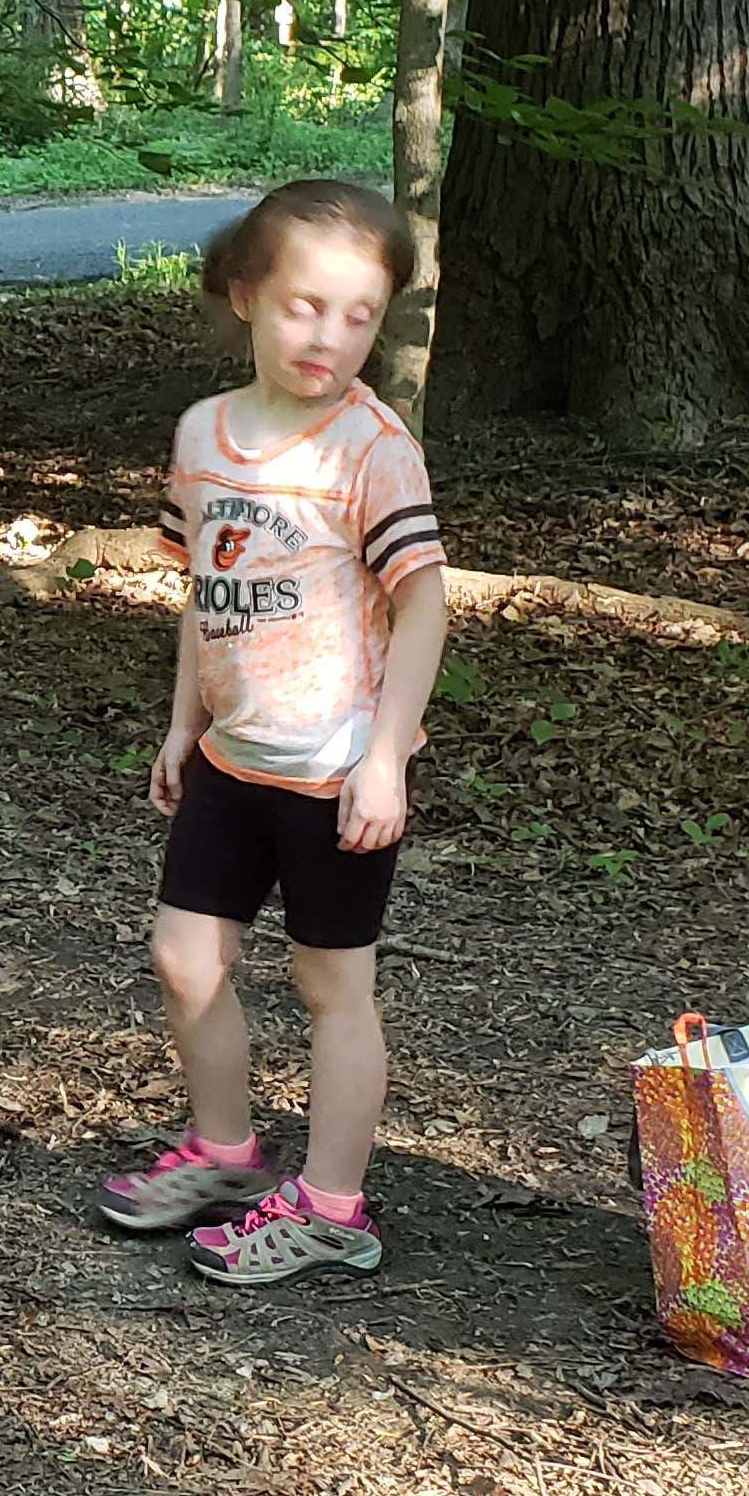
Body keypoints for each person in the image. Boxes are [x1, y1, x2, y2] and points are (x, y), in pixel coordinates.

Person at [94, 178, 449, 1287]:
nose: (329, 336)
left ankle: (333, 1208)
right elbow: (205, 595)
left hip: (337, 775)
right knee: (184, 956)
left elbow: (425, 604)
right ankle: (227, 1154)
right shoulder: (203, 435)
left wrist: (386, 758)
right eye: (305, 306)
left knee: (332, 988)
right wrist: (182, 726)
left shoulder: (371, 448)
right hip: (231, 761)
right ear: (246, 295)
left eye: (359, 316)